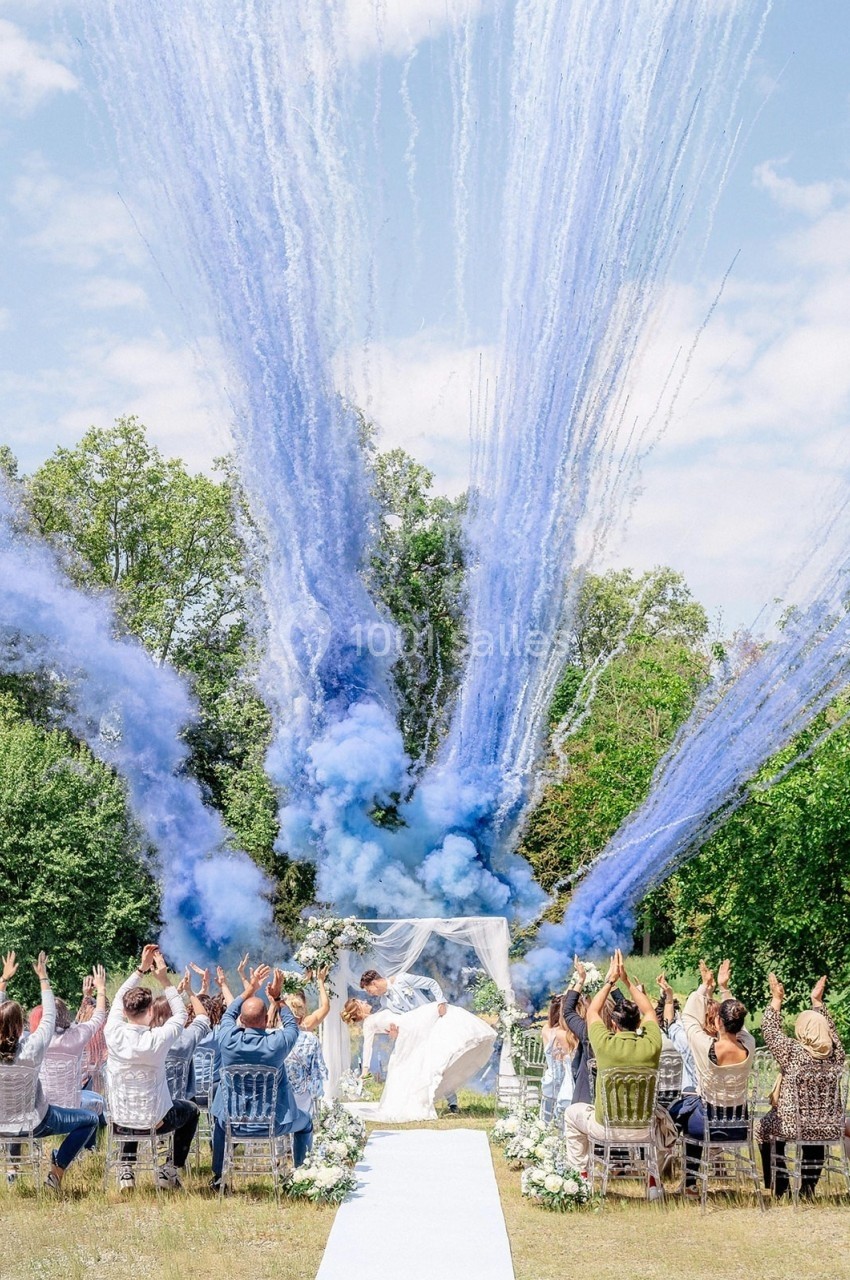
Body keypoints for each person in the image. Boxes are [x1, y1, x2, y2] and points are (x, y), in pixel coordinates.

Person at [562, 949, 662, 1192]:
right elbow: (650, 1011)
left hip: (606, 1126)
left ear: (614, 1024)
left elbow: (592, 1012)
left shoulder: (604, 1044)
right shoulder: (651, 1044)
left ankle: (581, 1177)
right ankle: (652, 1184)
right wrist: (626, 981)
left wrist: (610, 981)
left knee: (570, 1114)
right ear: (640, 1023)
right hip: (643, 1129)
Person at [0, 950, 98, 1190]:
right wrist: (43, 977)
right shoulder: (32, 1048)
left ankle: (14, 1171)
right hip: (37, 1122)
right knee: (91, 1119)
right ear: (21, 1025)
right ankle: (56, 1171)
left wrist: (3, 980)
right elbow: (49, 1016)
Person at [210, 964, 313, 1190]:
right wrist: (278, 999)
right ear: (266, 1021)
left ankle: (219, 1177)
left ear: (242, 1022)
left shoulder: (227, 1040)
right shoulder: (275, 1044)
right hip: (271, 1124)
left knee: (218, 1122)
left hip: (232, 1124)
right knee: (306, 1122)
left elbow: (228, 1014)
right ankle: (301, 1175)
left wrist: (249, 990)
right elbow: (292, 1028)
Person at [105, 944, 198, 1191]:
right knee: (191, 1110)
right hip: (156, 1121)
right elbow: (180, 1014)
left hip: (120, 1120)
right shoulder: (157, 1038)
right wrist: (164, 979)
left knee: (131, 1106)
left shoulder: (112, 1032)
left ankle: (126, 1169)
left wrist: (140, 969)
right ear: (150, 1013)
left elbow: (117, 998)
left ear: (125, 1011)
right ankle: (170, 1169)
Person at [341, 993, 496, 1123]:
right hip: (409, 1027)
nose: (366, 1001)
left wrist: (394, 1033)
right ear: (359, 1011)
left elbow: (392, 1026)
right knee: (438, 1008)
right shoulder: (368, 1023)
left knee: (442, 1011)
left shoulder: (376, 1015)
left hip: (408, 1024)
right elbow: (367, 1047)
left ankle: (469, 1036)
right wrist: (365, 1070)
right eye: (361, 1002)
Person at [757, 973, 846, 1199]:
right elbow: (833, 1034)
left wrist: (776, 999)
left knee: (763, 1128)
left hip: (794, 1125)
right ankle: (807, 1188)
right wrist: (818, 1002)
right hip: (829, 1125)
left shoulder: (793, 1053)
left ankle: (781, 1184)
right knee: (816, 1134)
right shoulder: (836, 1056)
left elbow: (769, 1031)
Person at [678, 958, 755, 1194]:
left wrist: (705, 987)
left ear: (718, 1021)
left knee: (685, 1115)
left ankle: (690, 1183)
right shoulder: (749, 1045)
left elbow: (689, 1019)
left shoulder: (705, 1046)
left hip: (708, 1124)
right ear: (740, 1023)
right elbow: (739, 1027)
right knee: (690, 1109)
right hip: (739, 1125)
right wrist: (724, 988)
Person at [360, 966, 459, 1111]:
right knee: (426, 1066)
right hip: (416, 1035)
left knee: (441, 1063)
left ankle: (452, 1101)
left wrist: (441, 1002)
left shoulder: (402, 979)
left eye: (369, 990)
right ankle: (425, 1103)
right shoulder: (384, 1003)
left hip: (433, 1024)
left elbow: (431, 983)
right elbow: (397, 1022)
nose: (371, 995)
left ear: (374, 983)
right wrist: (393, 1033)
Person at [40, 964, 108, 1142]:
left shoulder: (38, 1040)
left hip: (44, 1106)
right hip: (72, 1105)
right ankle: (91, 1147)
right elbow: (99, 1016)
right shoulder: (78, 1034)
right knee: (97, 1101)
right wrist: (101, 989)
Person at [279, 988, 328, 1114]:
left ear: (281, 1015)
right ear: (301, 1018)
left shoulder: (272, 1036)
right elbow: (319, 1070)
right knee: (305, 1120)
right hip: (302, 1095)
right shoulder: (311, 1038)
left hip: (277, 1095)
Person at [540, 995, 574, 1122]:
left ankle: (545, 1123)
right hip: (564, 1080)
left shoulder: (546, 1029)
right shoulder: (565, 1034)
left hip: (550, 1079)